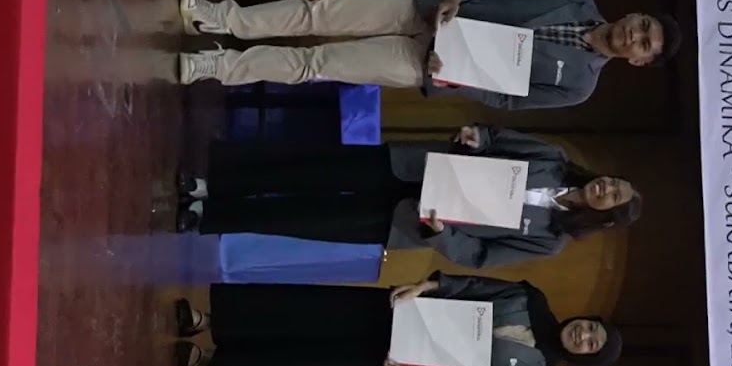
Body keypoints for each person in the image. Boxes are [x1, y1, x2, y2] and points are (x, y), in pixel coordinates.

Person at [175, 0, 680, 106]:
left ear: (637, 61)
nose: (634, 35)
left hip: (429, 65)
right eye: (642, 25)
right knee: (317, 13)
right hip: (431, 9)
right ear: (634, 14)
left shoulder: (580, 85)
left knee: (316, 65)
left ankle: (216, 67)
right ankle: (220, 17)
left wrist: (454, 78)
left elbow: (507, 99)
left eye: (643, 44)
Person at [177, 126, 642, 269]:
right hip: (414, 166)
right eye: (612, 182)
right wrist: (478, 138)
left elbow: (480, 255)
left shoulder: (550, 240)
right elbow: (497, 138)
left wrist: (441, 234)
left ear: (604, 216)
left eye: (612, 197)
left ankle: (209, 216)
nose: (605, 188)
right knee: (309, 169)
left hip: (408, 221)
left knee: (302, 217)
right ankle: (209, 183)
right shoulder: (554, 158)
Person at [167, 275, 621, 366]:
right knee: (304, 313)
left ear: (584, 357)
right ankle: (208, 320)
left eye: (590, 344)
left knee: (306, 365)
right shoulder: (530, 298)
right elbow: (470, 285)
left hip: (404, 365)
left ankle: (209, 361)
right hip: (403, 311)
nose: (582, 335)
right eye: (590, 327)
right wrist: (426, 286)